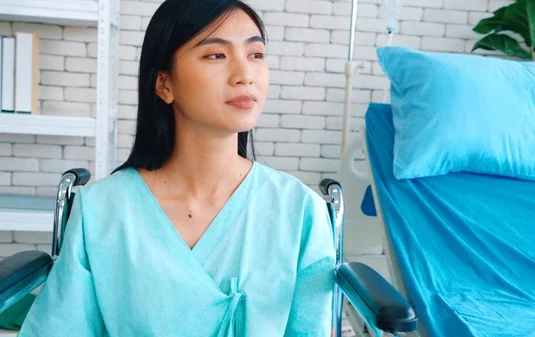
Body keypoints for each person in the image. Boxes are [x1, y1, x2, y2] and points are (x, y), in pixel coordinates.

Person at [17, 0, 336, 336]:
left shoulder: (299, 211)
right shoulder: (102, 211)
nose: (245, 75)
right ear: (164, 84)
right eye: (216, 55)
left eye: (256, 55)